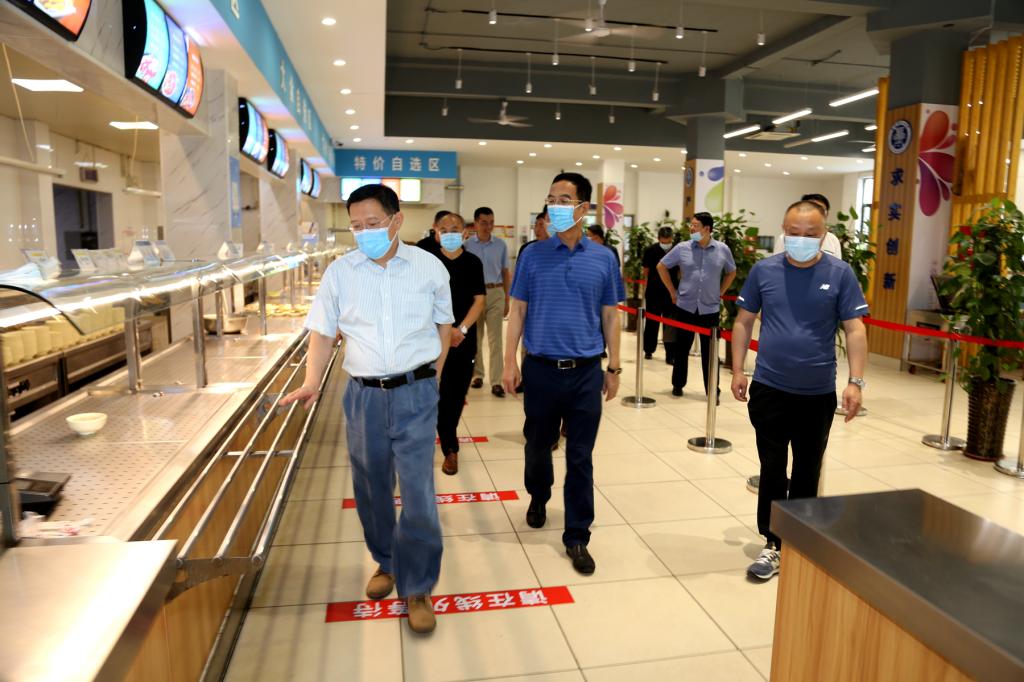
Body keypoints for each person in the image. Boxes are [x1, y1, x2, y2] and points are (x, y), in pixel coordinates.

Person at [282, 183, 453, 634]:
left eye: (372, 223)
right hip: (363, 396)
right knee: (371, 486)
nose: (364, 233)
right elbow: (323, 332)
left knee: (417, 492)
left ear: (397, 220)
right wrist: (311, 382)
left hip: (416, 392)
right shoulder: (341, 272)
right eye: (356, 226)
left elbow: (443, 326)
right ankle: (387, 560)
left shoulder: (429, 267)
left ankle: (418, 586)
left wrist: (432, 379)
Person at [730, 200, 868, 582]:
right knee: (773, 469)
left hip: (816, 393)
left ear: (824, 235)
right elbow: (743, 321)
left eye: (811, 234)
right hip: (770, 388)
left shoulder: (840, 273)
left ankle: (801, 542)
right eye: (794, 232)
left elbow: (855, 329)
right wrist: (738, 369)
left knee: (808, 470)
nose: (802, 239)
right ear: (783, 230)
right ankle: (773, 543)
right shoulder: (764, 271)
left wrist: (855, 382)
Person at [502, 172, 625, 576]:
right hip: (540, 369)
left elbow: (611, 316)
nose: (555, 206)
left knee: (580, 456)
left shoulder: (604, 259)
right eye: (551, 199)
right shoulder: (532, 255)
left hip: (586, 373)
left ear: (583, 208)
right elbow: (518, 310)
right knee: (538, 445)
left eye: (564, 199)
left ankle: (577, 535)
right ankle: (539, 494)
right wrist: (509, 361)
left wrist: (614, 367)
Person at [656, 212, 736, 400]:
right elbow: (661, 266)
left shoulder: (722, 249)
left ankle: (712, 390)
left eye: (695, 225)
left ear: (707, 229)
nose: (691, 229)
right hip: (685, 307)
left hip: (710, 309)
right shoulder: (682, 248)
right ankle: (677, 384)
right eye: (691, 225)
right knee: (681, 349)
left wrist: (721, 292)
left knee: (710, 353)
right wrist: (672, 292)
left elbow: (731, 272)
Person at [432, 213, 486, 475]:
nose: (449, 233)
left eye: (454, 228)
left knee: (455, 395)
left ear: (465, 232)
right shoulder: (428, 262)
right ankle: (445, 446)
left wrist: (460, 329)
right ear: (435, 231)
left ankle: (449, 443)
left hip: (463, 340)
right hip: (431, 339)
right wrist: (443, 331)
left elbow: (479, 300)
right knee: (435, 393)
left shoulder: (473, 262)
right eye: (444, 229)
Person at [464, 207, 511, 397]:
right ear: (475, 223)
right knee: (475, 338)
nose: (488, 226)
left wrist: (507, 299)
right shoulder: (467, 245)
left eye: (491, 223)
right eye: (484, 223)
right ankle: (477, 375)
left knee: (495, 340)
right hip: (474, 296)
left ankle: (497, 381)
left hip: (495, 292)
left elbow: (506, 273)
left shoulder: (501, 245)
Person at [641, 226, 679, 363]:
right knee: (652, 322)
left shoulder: (677, 250)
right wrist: (646, 287)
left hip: (671, 292)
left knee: (670, 324)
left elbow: (680, 271)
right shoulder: (650, 250)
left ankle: (670, 354)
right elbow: (646, 271)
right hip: (654, 291)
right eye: (663, 241)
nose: (666, 243)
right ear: (658, 239)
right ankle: (648, 350)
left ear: (672, 238)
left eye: (668, 241)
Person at [773, 194, 841, 258]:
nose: (815, 211)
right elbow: (777, 261)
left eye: (821, 209)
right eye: (810, 207)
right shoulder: (786, 238)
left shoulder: (833, 240)